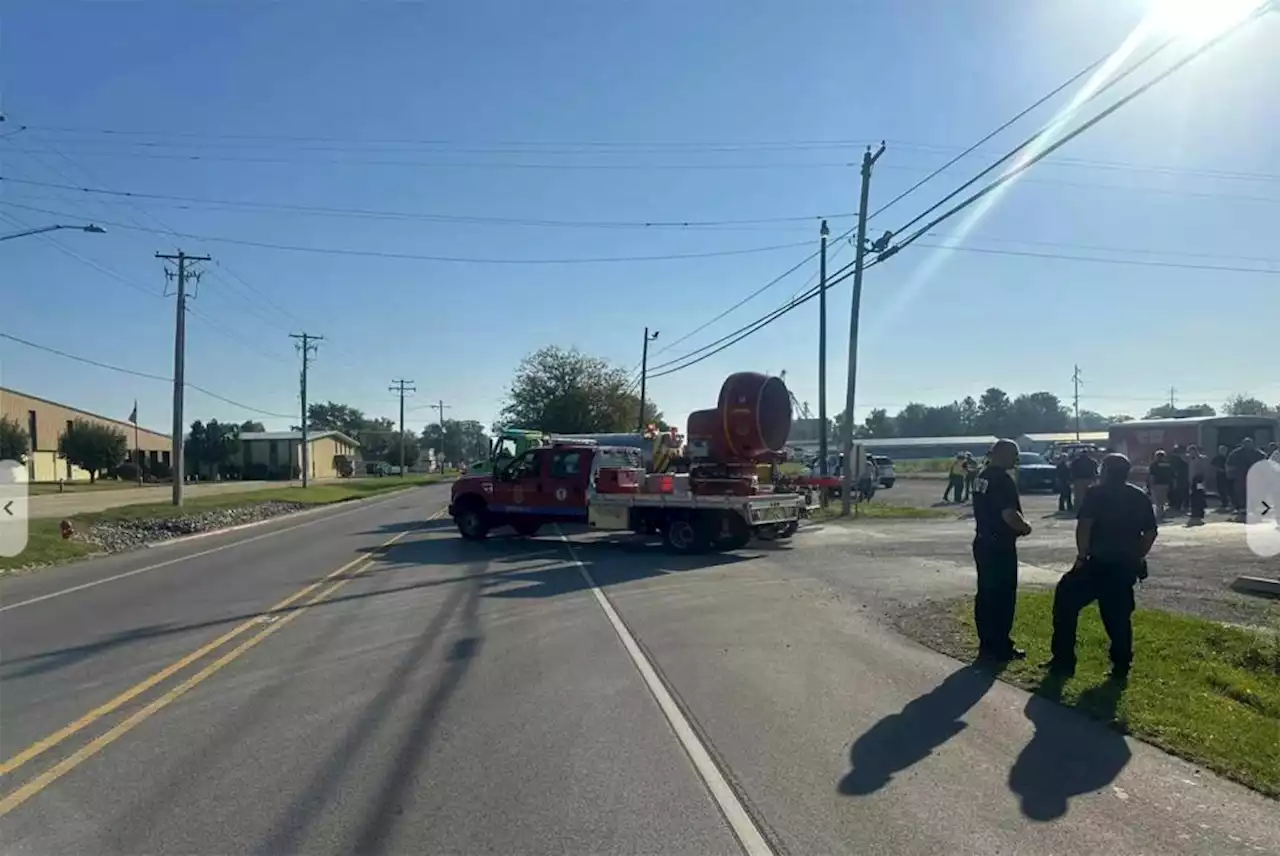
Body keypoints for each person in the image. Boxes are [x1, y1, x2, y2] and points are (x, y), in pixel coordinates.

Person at [1048, 453, 1157, 679]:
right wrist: (1137, 555)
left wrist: (1081, 556)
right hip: (1124, 565)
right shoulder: (1140, 496)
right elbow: (1150, 532)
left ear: (1105, 471)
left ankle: (1063, 661)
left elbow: (1085, 525)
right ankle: (1121, 666)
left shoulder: (1095, 493)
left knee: (1065, 605)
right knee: (1118, 617)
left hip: (1095, 564)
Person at [970, 439, 1032, 661]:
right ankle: (1001, 646)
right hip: (1000, 546)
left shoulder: (981, 476)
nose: (1016, 459)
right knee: (1003, 596)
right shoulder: (1003, 480)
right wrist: (1025, 527)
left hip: (983, 541)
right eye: (1014, 454)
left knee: (986, 593)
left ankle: (986, 643)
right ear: (1002, 454)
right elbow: (1009, 514)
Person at [1226, 438, 1266, 516]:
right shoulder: (1236, 453)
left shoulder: (1257, 452)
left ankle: (1252, 507)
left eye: (1249, 443)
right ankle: (1242, 507)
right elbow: (1229, 464)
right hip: (1241, 475)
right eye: (1246, 443)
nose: (1247, 445)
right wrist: (1230, 473)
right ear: (1242, 444)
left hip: (1254, 476)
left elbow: (1264, 459)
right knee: (1240, 491)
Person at [1147, 449, 1172, 519]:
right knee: (1163, 499)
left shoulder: (1153, 464)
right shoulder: (1167, 464)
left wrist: (1150, 485)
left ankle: (1159, 514)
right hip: (1166, 484)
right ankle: (1162, 512)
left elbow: (1152, 475)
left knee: (1158, 501)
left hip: (1157, 484)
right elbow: (1170, 474)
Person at [1186, 444, 1208, 523]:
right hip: (1192, 480)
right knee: (1193, 496)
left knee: (1200, 495)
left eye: (1193, 451)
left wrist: (1203, 479)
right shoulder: (1189, 459)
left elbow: (1204, 470)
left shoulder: (1202, 458)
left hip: (1199, 480)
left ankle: (1200, 512)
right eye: (1190, 452)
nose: (1191, 453)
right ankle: (1194, 511)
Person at [1169, 445, 1189, 514]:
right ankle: (1180, 505)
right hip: (1181, 479)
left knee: (1177, 492)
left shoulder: (1172, 459)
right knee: (1181, 492)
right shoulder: (1181, 460)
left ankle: (1176, 505)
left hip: (1177, 479)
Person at [1210, 444, 1231, 510]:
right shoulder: (1217, 458)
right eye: (1221, 450)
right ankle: (1224, 502)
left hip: (1228, 476)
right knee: (1220, 489)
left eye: (1224, 450)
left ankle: (1228, 502)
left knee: (1228, 489)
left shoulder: (1229, 457)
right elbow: (1212, 466)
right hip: (1219, 475)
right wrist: (1219, 470)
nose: (1222, 451)